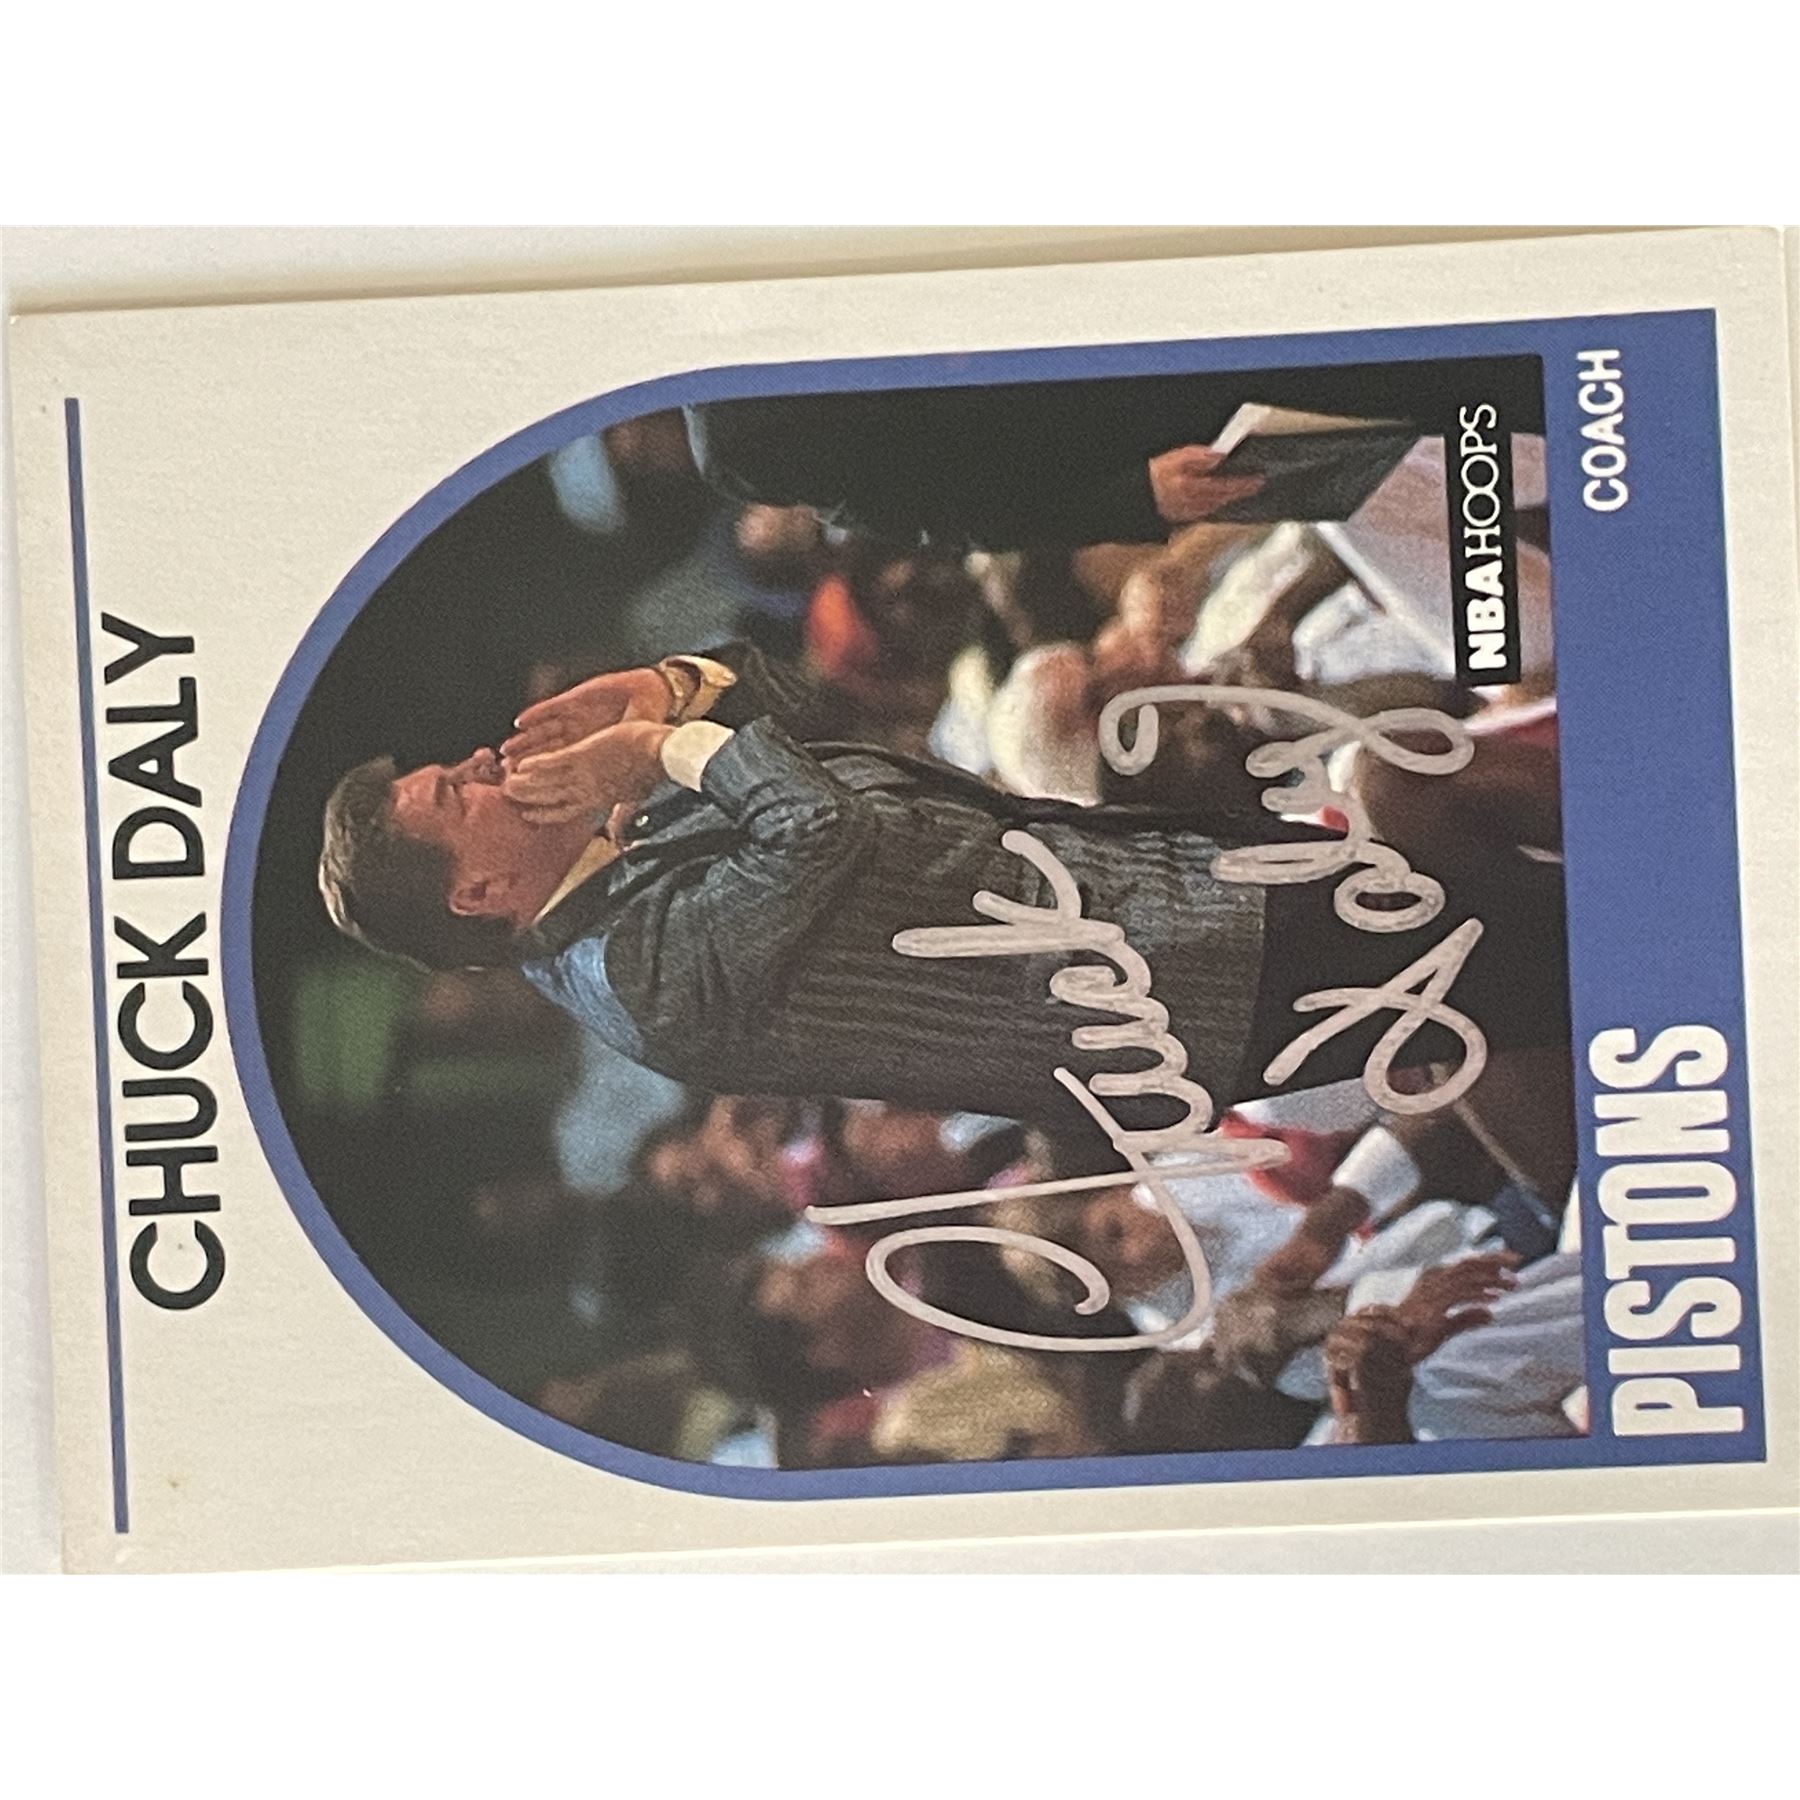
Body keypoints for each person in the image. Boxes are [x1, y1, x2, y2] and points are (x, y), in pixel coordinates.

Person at [318, 642, 1572, 1146]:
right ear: (481, 889)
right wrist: (659, 747)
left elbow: (817, 726)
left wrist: (669, 691)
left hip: (1175, 904)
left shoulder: (620, 857)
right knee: (1548, 943)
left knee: (1522, 917)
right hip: (1189, 976)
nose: (482, 760)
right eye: (455, 792)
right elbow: (820, 826)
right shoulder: (629, 977)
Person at [681, 360, 1543, 554]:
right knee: (1411, 405)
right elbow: (945, 513)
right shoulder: (741, 434)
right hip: (1126, 424)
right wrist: (1132, 497)